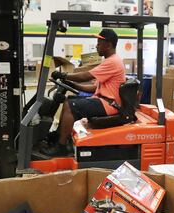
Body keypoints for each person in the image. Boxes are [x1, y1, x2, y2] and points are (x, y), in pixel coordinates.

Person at [42, 28, 126, 156]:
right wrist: (72, 84)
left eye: (99, 43)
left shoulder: (112, 61)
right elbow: (93, 88)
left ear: (108, 44)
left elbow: (85, 76)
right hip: (104, 100)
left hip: (109, 104)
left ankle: (61, 147)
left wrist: (64, 75)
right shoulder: (110, 61)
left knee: (71, 106)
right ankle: (60, 137)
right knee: (68, 102)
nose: (97, 46)